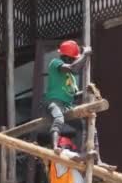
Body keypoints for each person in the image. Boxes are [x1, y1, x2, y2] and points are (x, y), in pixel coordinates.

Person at [43, 40, 115, 170]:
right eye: (72, 59)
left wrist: (87, 92)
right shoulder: (56, 63)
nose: (72, 61)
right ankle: (55, 147)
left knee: (86, 125)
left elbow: (73, 95)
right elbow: (74, 68)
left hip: (67, 106)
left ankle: (95, 158)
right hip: (54, 102)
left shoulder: (71, 77)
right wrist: (85, 54)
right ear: (66, 57)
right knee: (58, 118)